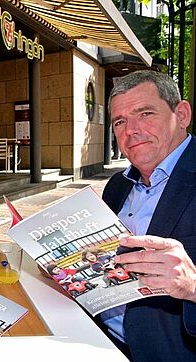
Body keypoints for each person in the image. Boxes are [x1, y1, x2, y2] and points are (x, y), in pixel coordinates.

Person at [102, 70, 196, 360]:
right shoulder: (117, 185)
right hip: (97, 338)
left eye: (144, 113)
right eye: (120, 121)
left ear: (181, 114)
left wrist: (193, 287)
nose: (131, 130)